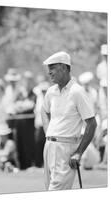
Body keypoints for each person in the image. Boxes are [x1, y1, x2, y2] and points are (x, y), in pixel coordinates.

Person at [41, 51, 97, 190]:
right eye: (49, 68)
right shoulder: (51, 91)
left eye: (53, 67)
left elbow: (91, 123)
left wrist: (79, 152)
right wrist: (48, 132)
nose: (49, 72)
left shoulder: (77, 92)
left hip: (66, 149)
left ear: (65, 68)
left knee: (55, 191)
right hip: (49, 147)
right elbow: (44, 111)